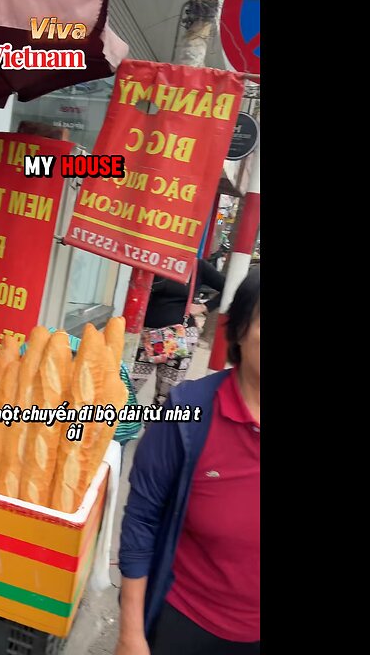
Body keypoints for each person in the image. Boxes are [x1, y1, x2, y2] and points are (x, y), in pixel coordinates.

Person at [115, 270, 260, 655]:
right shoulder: (189, 412)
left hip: (177, 342)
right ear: (242, 329)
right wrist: (131, 633)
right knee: (139, 392)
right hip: (187, 622)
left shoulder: (194, 263)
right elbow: (142, 518)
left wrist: (202, 306)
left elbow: (222, 277)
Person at [130, 258, 225, 407]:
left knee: (165, 397)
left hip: (177, 337)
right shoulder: (150, 257)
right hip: (143, 335)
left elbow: (229, 286)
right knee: (125, 387)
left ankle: (156, 430)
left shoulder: (196, 265)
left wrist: (204, 307)